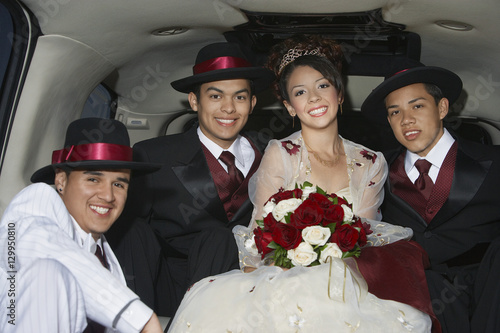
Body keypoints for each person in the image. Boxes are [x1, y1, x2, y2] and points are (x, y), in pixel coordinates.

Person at [167, 35, 439, 333]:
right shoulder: (279, 153)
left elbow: (363, 234)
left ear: (340, 94)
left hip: (348, 275)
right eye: (300, 92)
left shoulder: (370, 160)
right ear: (289, 107)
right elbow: (260, 231)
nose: (314, 98)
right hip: (282, 272)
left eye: (323, 86)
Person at [106, 42, 275, 317]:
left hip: (249, 287)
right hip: (170, 287)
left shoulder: (271, 155)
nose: (229, 108)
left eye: (240, 98)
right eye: (216, 96)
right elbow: (131, 238)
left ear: (252, 103)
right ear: (194, 101)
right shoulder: (154, 154)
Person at [361, 59, 500, 333]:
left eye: (417, 106)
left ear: (442, 107)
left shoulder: (494, 162)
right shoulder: (374, 173)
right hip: (420, 301)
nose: (407, 120)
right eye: (395, 112)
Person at [0, 118, 163, 333]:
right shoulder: (36, 201)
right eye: (93, 180)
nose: (108, 195)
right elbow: (35, 243)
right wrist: (141, 318)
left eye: (119, 184)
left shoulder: (109, 262)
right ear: (61, 180)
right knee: (49, 272)